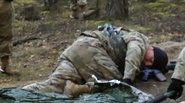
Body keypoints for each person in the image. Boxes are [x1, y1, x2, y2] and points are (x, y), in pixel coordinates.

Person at [23, 25, 168, 96]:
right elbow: (134, 52)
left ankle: (18, 94)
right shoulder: (140, 41)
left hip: (78, 51)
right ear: (152, 48)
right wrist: (128, 80)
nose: (147, 63)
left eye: (151, 65)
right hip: (92, 50)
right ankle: (82, 89)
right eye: (151, 59)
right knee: (116, 87)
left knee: (54, 86)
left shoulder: (138, 48)